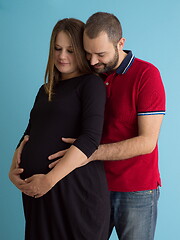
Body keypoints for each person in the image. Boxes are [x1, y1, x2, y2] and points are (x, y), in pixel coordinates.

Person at [47, 12, 166, 240]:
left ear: (120, 43)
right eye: (88, 53)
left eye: (100, 54)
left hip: (136, 190)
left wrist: (89, 153)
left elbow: (147, 142)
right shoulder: (91, 75)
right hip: (92, 186)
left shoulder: (146, 75)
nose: (92, 62)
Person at [9, 18, 110, 240]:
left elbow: (91, 138)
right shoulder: (45, 90)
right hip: (39, 195)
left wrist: (49, 179)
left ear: (83, 52)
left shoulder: (91, 85)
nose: (62, 56)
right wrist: (13, 169)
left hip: (74, 193)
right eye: (57, 48)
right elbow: (30, 132)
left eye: (70, 50)